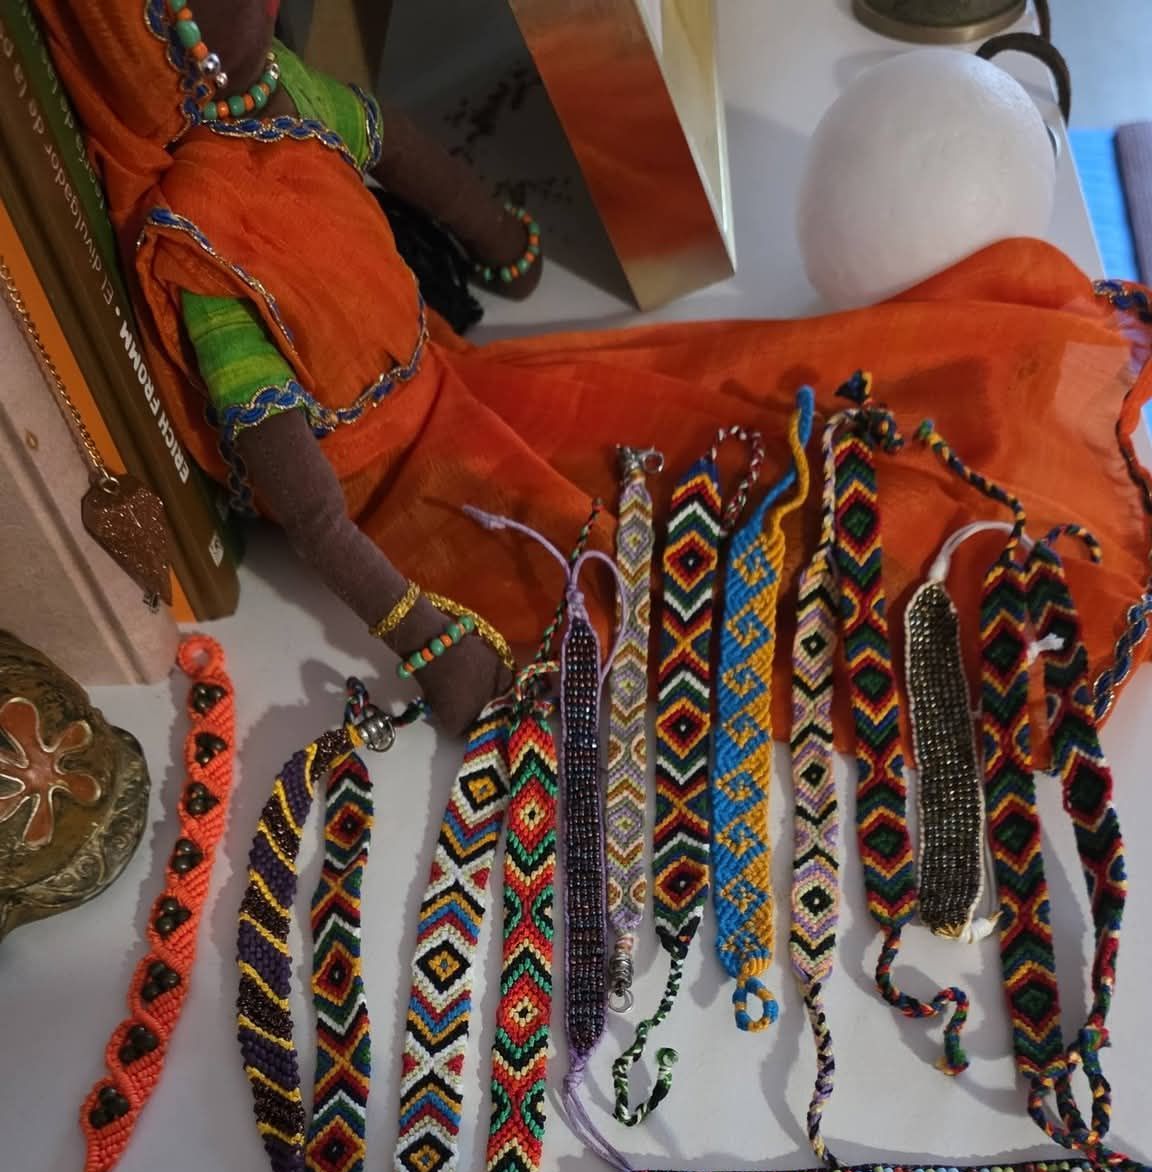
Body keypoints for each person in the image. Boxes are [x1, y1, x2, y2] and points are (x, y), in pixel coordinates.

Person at [36, 0, 1152, 743]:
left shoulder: (280, 93)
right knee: (657, 562)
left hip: (455, 379)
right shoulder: (200, 248)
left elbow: (394, 145)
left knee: (720, 412)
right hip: (403, 492)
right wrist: (421, 631)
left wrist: (499, 241)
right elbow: (315, 506)